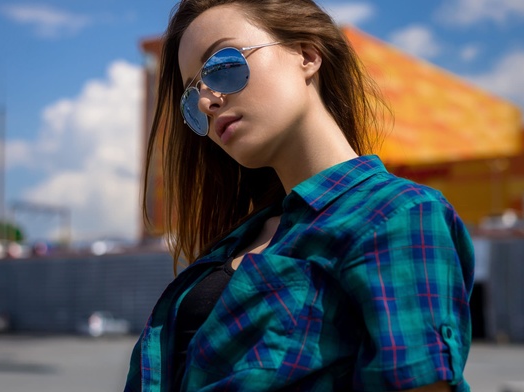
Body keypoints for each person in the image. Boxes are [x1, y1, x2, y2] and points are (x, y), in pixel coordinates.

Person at [125, 0, 474, 391]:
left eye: (222, 67)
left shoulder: (397, 216)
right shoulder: (240, 239)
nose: (207, 101)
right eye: (192, 99)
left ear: (307, 54)